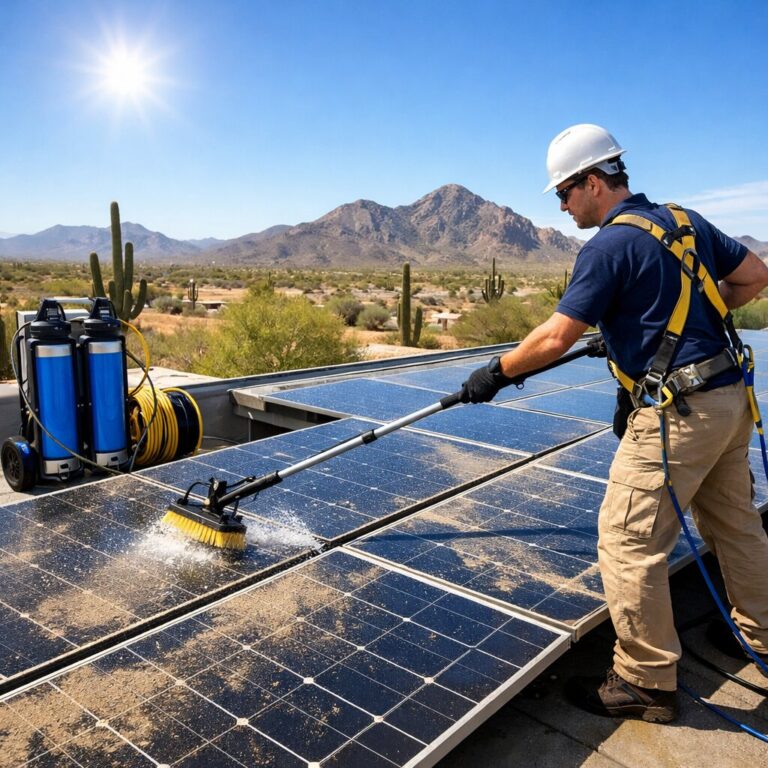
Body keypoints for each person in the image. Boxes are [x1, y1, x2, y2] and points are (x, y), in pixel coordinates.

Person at [460, 123, 768, 723]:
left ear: (593, 182)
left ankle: (645, 681)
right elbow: (755, 276)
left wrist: (495, 372)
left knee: (627, 540)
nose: (561, 206)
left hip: (680, 415)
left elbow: (555, 337)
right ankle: (762, 637)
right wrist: (666, 326)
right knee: (736, 525)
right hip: (730, 400)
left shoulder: (607, 246)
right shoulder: (684, 221)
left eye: (564, 193)